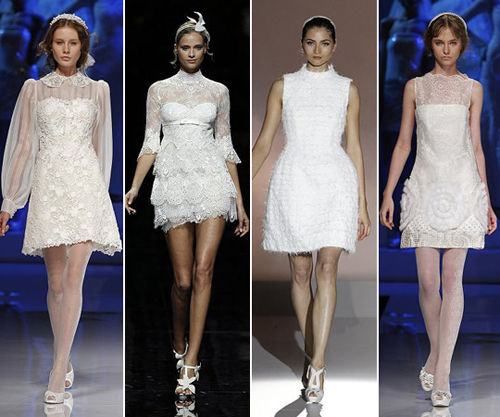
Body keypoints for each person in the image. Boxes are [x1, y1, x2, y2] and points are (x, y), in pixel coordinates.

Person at [124, 12, 249, 400]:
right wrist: (135, 186)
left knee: (203, 270)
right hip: (174, 183)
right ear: (175, 50)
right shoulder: (158, 90)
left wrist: (240, 201)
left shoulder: (219, 91)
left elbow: (226, 145)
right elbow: (151, 142)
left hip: (212, 182)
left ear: (205, 50)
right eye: (185, 47)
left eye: (197, 47)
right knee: (182, 281)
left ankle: (191, 361)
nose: (191, 53)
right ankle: (178, 340)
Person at [0, 13, 122, 403]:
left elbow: (102, 148)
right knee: (55, 284)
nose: (66, 49)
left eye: (72, 42)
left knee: (73, 280)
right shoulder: (34, 90)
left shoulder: (98, 90)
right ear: (49, 47)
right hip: (49, 187)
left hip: (85, 187)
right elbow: (23, 147)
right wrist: (10, 201)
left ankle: (57, 369)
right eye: (59, 42)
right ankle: (63, 356)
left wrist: (101, 197)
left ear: (82, 46)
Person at [379, 12, 497, 407]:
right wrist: (388, 193)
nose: (446, 49)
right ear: (430, 44)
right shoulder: (414, 87)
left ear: (462, 45)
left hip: (462, 188)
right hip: (424, 186)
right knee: (428, 283)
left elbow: (476, 146)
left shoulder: (473, 89)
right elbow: (403, 143)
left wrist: (485, 198)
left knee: (452, 279)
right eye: (439, 42)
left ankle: (442, 370)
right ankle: (435, 354)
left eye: (453, 42)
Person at [252, 15, 371, 403]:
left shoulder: (347, 89)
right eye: (310, 42)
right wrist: (237, 187)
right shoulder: (283, 86)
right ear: (301, 45)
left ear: (334, 46)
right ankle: (311, 352)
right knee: (301, 273)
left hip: (335, 181)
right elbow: (264, 141)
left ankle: (317, 364)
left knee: (328, 268)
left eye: (324, 43)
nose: (317, 50)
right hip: (295, 180)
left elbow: (354, 146)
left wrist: (362, 204)